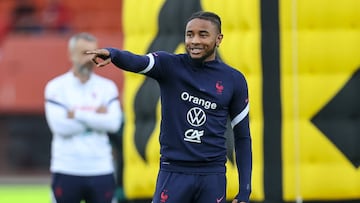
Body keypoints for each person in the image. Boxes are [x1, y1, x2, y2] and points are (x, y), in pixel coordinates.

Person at [86, 11, 252, 203]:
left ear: (218, 39)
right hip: (173, 172)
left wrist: (244, 191)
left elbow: (242, 137)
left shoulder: (234, 80)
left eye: (203, 34)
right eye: (190, 34)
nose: (194, 40)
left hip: (212, 175)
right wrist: (114, 54)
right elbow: (139, 61)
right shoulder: (170, 64)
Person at [44, 32, 122, 203]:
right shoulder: (56, 87)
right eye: (83, 53)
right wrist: (97, 117)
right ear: (71, 54)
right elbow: (60, 127)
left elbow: (114, 123)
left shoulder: (107, 88)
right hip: (66, 168)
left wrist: (77, 115)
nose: (89, 59)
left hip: (101, 168)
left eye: (93, 53)